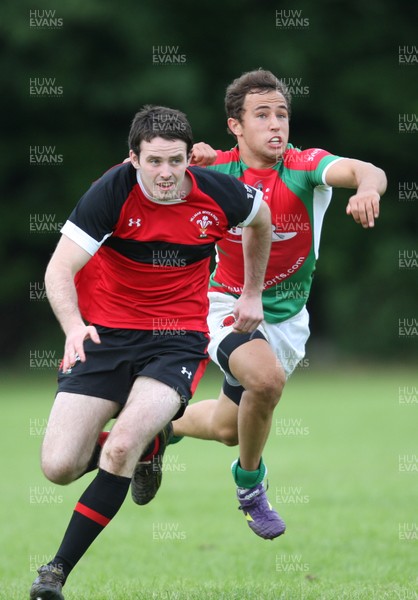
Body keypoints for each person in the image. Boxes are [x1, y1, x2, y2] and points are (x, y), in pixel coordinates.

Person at [29, 104, 272, 600]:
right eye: (155, 162)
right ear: (134, 159)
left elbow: (260, 218)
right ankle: (154, 446)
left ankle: (54, 572)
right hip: (104, 336)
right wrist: (74, 328)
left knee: (118, 447)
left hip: (176, 338)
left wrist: (251, 292)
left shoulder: (216, 193)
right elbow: (57, 270)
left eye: (176, 161)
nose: (166, 174)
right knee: (58, 466)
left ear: (189, 157)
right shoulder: (111, 192)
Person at [132, 70, 387, 541]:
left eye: (282, 114)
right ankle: (250, 487)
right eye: (262, 115)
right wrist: (187, 163)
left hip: (287, 320)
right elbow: (146, 177)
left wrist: (368, 188)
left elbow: (366, 170)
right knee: (266, 380)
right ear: (236, 125)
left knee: (230, 428)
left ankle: (159, 429)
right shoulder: (214, 170)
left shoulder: (306, 165)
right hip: (222, 303)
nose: (276, 125)